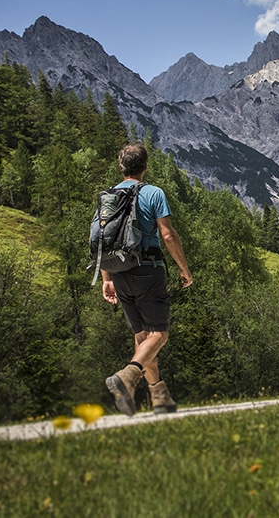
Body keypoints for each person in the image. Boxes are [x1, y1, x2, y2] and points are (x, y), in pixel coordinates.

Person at [102, 143, 192, 415]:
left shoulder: (109, 196)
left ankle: (160, 398)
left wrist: (106, 279)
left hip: (119, 273)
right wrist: (183, 268)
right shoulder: (153, 193)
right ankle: (128, 375)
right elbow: (168, 235)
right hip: (147, 268)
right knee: (159, 334)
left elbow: (102, 241)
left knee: (142, 337)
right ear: (145, 167)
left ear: (121, 167)